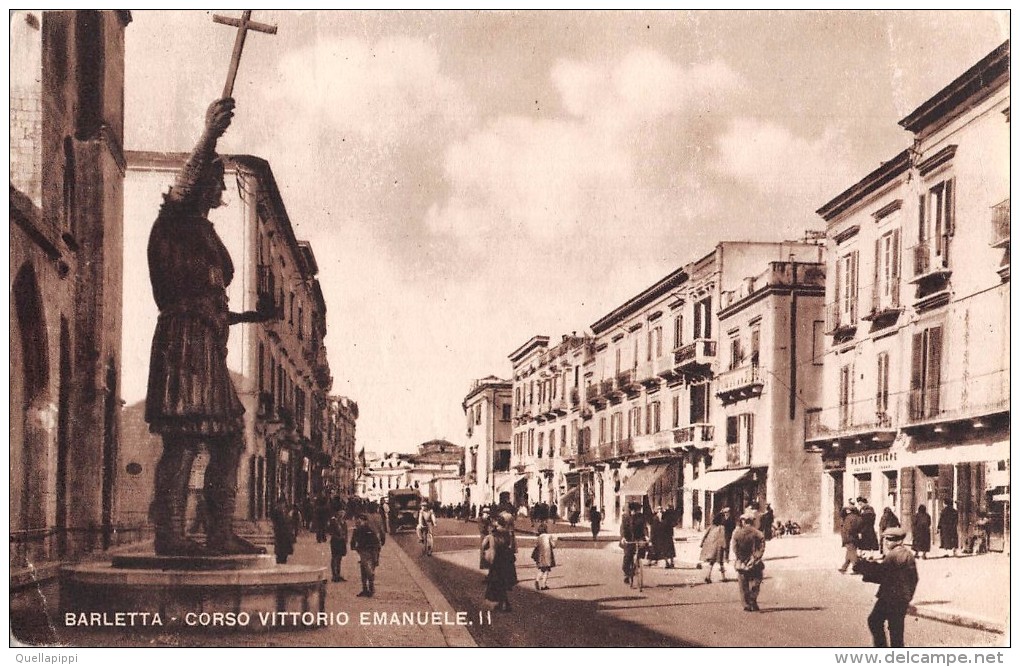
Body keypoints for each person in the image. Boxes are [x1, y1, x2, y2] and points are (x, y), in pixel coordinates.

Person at [145, 97, 276, 557]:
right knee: (183, 440)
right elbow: (180, 188)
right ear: (200, 184)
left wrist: (245, 318)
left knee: (230, 439)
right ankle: (171, 536)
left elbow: (213, 302)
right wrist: (209, 134)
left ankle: (218, 532)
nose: (222, 194)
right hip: (184, 343)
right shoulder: (175, 221)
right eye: (217, 184)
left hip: (207, 345)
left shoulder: (203, 230)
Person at [853, 527, 919, 647]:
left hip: (890, 597)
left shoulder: (894, 555)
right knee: (895, 631)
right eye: (886, 539)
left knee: (875, 621)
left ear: (899, 541)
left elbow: (882, 574)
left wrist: (865, 569)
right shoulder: (907, 554)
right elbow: (913, 578)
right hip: (899, 598)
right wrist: (908, 596)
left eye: (890, 540)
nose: (887, 542)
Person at [484, 513, 518, 611]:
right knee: (502, 583)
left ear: (498, 523)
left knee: (497, 582)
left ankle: (504, 604)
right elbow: (511, 545)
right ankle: (504, 604)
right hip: (507, 560)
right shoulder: (508, 533)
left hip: (498, 560)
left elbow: (489, 546)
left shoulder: (495, 533)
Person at [732, 512, 766, 611]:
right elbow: (762, 548)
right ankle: (753, 599)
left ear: (743, 522)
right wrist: (756, 557)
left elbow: (734, 548)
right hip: (754, 562)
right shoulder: (758, 533)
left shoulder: (737, 533)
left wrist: (740, 558)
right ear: (752, 521)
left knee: (743, 584)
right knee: (756, 581)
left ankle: (746, 604)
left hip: (741, 562)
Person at [350, 513, 382, 597]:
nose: (357, 522)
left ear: (364, 521)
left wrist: (354, 547)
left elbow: (376, 543)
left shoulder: (365, 529)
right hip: (367, 551)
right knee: (364, 569)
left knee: (367, 570)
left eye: (359, 520)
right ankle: (366, 589)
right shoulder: (360, 529)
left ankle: (370, 588)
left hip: (368, 551)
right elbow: (353, 543)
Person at [620, 502, 647, 585]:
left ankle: (638, 563)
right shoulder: (625, 517)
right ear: (631, 510)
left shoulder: (641, 517)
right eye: (634, 510)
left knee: (642, 550)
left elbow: (644, 527)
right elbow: (623, 529)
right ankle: (626, 574)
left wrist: (646, 536)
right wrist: (623, 537)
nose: (636, 512)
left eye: (638, 510)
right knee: (627, 557)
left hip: (639, 538)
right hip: (628, 539)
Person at [700, 512, 728, 583]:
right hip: (718, 546)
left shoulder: (711, 526)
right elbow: (723, 538)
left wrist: (702, 543)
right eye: (723, 517)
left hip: (710, 546)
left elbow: (705, 535)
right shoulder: (722, 527)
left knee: (711, 562)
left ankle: (708, 576)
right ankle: (723, 577)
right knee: (721, 562)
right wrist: (725, 546)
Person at [532, 523, 557, 590]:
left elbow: (535, 546)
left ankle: (537, 580)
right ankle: (544, 585)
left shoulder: (538, 537)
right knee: (546, 571)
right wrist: (554, 540)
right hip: (548, 556)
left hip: (540, 556)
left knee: (542, 569)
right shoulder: (549, 536)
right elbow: (553, 545)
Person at [270, 496, 295, 565]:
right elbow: (282, 523)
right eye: (283, 504)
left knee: (283, 553)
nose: (283, 505)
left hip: (283, 536)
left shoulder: (282, 511)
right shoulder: (278, 512)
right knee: (281, 553)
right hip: (281, 536)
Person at [327, 505, 348, 582]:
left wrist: (345, 540)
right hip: (335, 541)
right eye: (341, 513)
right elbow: (330, 531)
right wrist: (337, 536)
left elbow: (345, 532)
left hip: (341, 541)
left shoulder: (343, 522)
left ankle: (338, 574)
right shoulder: (334, 521)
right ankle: (334, 575)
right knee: (335, 557)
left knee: (339, 558)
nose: (342, 514)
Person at [838, 505, 862, 573]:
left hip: (849, 537)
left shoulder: (849, 518)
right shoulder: (859, 517)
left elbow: (848, 529)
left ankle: (857, 569)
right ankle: (844, 568)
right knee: (850, 553)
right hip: (855, 537)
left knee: (852, 553)